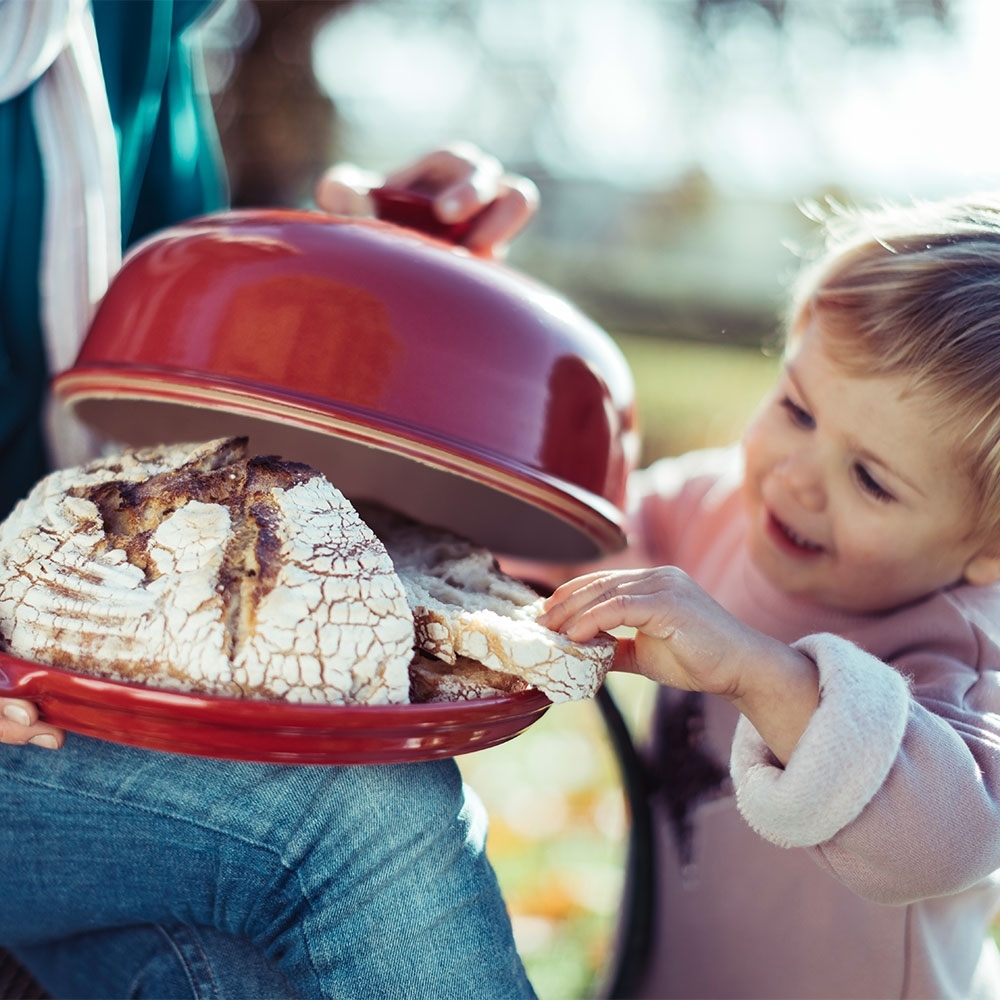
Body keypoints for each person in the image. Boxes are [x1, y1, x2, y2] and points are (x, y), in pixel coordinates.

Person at [0, 1, 538, 997]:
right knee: (354, 815)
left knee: (243, 975)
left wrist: (352, 273)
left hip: (67, 681)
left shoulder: (132, 21)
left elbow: (148, 369)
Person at [536, 194, 1000, 998]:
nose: (793, 477)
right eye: (795, 409)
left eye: (868, 479)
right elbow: (577, 542)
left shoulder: (956, 649)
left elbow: (940, 843)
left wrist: (759, 673)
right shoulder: (720, 506)